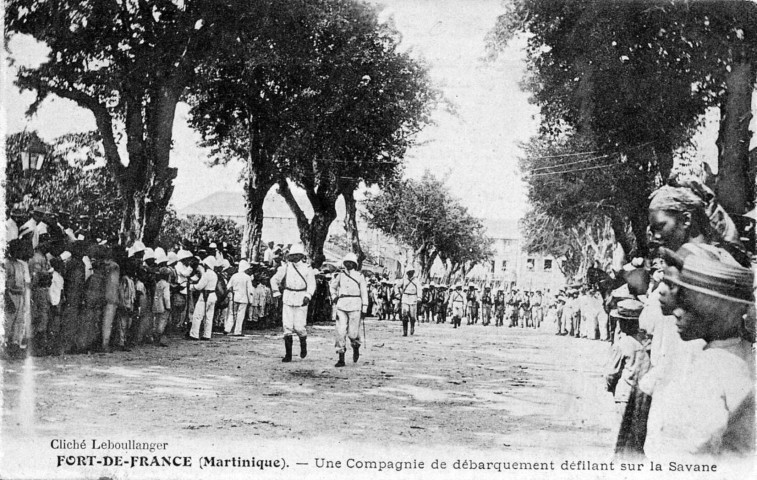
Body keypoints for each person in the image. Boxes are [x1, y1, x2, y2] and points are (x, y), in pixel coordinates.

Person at [644, 253, 755, 458]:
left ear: (713, 310)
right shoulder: (732, 358)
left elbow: (694, 452)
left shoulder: (710, 368)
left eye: (686, 305)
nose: (676, 312)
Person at [604, 299, 651, 456]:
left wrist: (609, 387)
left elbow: (611, 372)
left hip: (625, 395)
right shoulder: (647, 342)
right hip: (644, 395)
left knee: (621, 436)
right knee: (638, 437)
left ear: (622, 323)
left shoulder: (621, 344)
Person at [270, 244, 316, 362]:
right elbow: (274, 280)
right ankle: (288, 354)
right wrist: (276, 292)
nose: (295, 257)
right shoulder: (285, 267)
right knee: (287, 326)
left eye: (297, 255)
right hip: (288, 296)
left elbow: (312, 284)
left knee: (299, 327)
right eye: (292, 255)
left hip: (301, 298)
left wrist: (308, 295)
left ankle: (303, 343)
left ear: (301, 256)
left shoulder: (307, 268)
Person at [330, 253, 368, 367]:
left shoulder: (359, 276)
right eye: (346, 262)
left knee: (353, 333)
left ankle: (356, 346)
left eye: (351, 262)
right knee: (340, 332)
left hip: (355, 305)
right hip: (342, 305)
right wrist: (334, 296)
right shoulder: (340, 275)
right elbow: (332, 286)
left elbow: (364, 292)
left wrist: (365, 307)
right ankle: (341, 357)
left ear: (355, 264)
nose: (348, 264)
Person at [189, 256, 218, 341]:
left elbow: (199, 287)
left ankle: (194, 334)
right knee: (209, 317)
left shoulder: (206, 274)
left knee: (197, 315)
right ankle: (207, 334)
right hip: (212, 295)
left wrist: (191, 286)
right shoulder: (214, 274)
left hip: (205, 296)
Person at [225, 260, 253, 336]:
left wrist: (233, 291)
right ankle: (237, 331)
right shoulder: (247, 277)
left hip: (235, 297)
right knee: (240, 315)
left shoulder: (234, 276)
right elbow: (249, 290)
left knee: (232, 313)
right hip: (244, 299)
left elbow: (228, 287)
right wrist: (251, 301)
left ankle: (227, 328)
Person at [399, 266, 420, 336]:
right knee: (404, 315)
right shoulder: (404, 280)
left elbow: (419, 289)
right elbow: (397, 286)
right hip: (405, 297)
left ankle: (412, 327)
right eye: (409, 272)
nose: (410, 273)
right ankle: (405, 331)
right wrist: (397, 294)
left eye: (411, 272)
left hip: (413, 298)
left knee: (412, 316)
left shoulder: (416, 280)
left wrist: (419, 297)